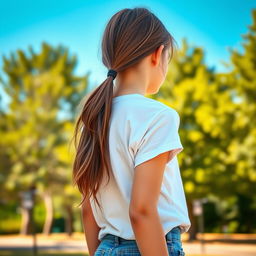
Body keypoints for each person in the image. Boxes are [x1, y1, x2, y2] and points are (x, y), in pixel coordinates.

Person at [72, 7, 191, 256]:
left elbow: (88, 210)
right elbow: (142, 211)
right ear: (157, 55)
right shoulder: (159, 117)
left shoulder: (94, 118)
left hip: (104, 247)